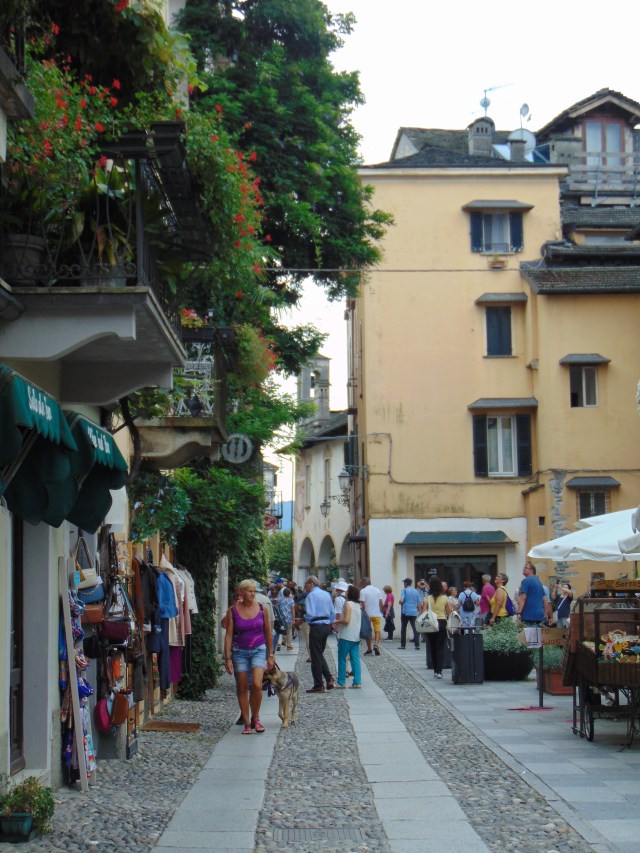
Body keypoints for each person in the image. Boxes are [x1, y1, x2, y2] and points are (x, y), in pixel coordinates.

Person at [223, 579, 274, 734]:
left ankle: (256, 718)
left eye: (254, 591)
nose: (253, 594)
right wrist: (227, 658)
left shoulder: (261, 609)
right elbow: (229, 635)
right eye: (250, 591)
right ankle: (246, 722)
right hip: (239, 652)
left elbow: (267, 632)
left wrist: (270, 654)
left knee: (257, 685)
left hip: (258, 650)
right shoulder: (233, 611)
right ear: (241, 593)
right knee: (242, 687)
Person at [300, 575, 336, 693]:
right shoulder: (326, 594)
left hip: (316, 625)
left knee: (315, 656)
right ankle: (329, 678)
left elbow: (310, 613)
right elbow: (332, 611)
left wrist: (302, 619)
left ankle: (318, 684)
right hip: (326, 625)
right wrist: (330, 623)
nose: (305, 586)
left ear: (311, 584)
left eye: (306, 583)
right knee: (319, 653)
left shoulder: (311, 595)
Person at [334, 585, 362, 688]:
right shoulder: (358, 605)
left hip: (346, 635)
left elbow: (346, 620)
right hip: (356, 635)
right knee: (355, 659)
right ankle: (357, 681)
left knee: (342, 658)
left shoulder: (348, 604)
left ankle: (341, 682)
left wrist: (336, 621)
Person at [423, 577, 451, 678]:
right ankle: (439, 671)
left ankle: (435, 669)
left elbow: (423, 612)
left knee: (432, 647)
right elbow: (448, 612)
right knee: (440, 647)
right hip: (442, 622)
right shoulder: (444, 598)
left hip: (431, 623)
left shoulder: (427, 598)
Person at [359, 577, 384, 655]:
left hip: (367, 615)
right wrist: (381, 611)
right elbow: (381, 603)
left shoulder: (363, 591)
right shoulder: (377, 590)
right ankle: (376, 644)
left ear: (363, 584)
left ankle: (369, 648)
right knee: (377, 630)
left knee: (368, 631)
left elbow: (363, 604)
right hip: (377, 614)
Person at [398, 577, 421, 650]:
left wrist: (400, 602)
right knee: (415, 628)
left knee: (403, 628)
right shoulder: (415, 591)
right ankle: (417, 645)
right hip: (414, 612)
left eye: (404, 583)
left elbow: (401, 601)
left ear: (406, 583)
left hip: (405, 611)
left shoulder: (404, 590)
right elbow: (419, 603)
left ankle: (403, 645)